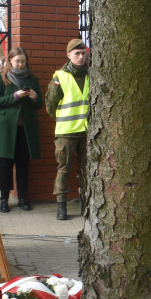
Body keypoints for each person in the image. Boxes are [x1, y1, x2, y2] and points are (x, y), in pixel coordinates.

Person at [0, 47, 41, 213]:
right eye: (17, 61)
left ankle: (22, 197)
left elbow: (39, 105)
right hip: (6, 131)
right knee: (5, 165)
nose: (20, 64)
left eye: (23, 61)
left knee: (23, 165)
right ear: (10, 61)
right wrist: (15, 96)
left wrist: (34, 97)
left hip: (25, 131)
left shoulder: (32, 79)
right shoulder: (2, 77)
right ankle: (4, 199)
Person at [45, 39, 89, 221]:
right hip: (67, 133)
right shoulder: (60, 77)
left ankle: (86, 202)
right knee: (64, 169)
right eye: (76, 53)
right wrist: (63, 120)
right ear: (68, 55)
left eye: (83, 53)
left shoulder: (91, 75)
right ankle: (61, 205)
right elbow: (50, 105)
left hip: (88, 132)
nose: (80, 57)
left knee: (87, 169)